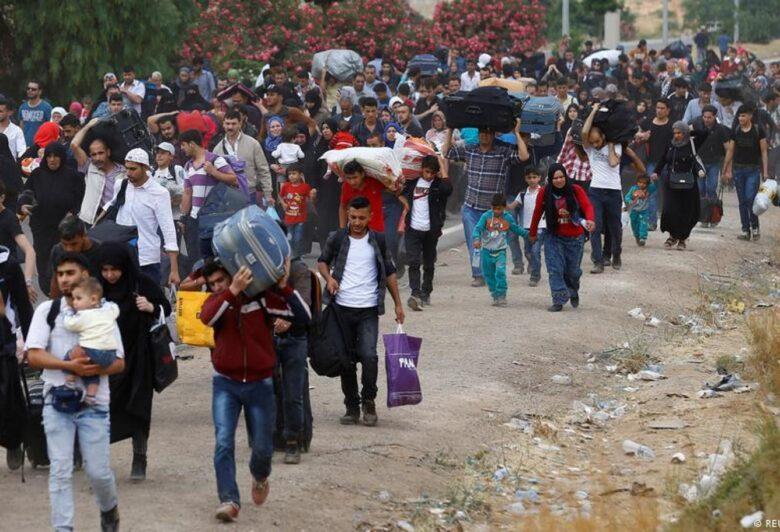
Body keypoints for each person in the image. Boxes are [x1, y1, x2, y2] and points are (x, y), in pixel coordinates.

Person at [199, 260, 310, 522]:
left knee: (262, 447)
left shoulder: (261, 299)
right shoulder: (217, 302)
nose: (216, 287)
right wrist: (230, 292)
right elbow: (206, 318)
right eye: (212, 284)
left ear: (234, 274)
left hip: (260, 383)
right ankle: (229, 499)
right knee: (224, 442)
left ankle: (260, 476)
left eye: (220, 281)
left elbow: (304, 316)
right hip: (225, 382)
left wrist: (284, 289)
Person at [26, 252, 125, 532]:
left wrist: (94, 370)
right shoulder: (48, 312)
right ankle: (63, 528)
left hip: (95, 405)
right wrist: (68, 365)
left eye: (71, 273)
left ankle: (109, 509)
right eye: (60, 274)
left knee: (98, 473)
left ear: (85, 275)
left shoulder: (104, 312)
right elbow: (33, 356)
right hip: (56, 400)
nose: (65, 280)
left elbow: (119, 362)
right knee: (60, 470)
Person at [317, 196, 405, 426]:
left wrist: (398, 303)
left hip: (368, 310)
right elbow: (322, 261)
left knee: (369, 356)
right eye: (353, 217)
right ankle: (351, 407)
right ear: (347, 214)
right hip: (341, 309)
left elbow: (390, 271)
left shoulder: (378, 240)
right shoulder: (336, 238)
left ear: (370, 217)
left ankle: (369, 402)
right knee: (345, 360)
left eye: (361, 217)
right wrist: (329, 279)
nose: (357, 222)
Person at [97, 242, 171, 482]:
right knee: (104, 409)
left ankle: (139, 457)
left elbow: (165, 307)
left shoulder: (141, 283)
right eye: (105, 270)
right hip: (109, 359)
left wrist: (151, 306)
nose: (110, 275)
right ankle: (96, 461)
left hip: (139, 357)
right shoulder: (98, 289)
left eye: (115, 270)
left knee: (139, 407)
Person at [445, 119, 529, 286]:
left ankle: (491, 272)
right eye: (482, 132)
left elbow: (523, 156)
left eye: (488, 132)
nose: (484, 135)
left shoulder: (502, 152)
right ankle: (478, 275)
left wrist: (517, 133)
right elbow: (447, 153)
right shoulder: (470, 150)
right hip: (471, 207)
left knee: (493, 245)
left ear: (493, 135)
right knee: (474, 243)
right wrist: (450, 129)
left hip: (493, 211)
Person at [99, 149, 180, 285]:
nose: (128, 173)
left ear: (145, 167)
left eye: (133, 169)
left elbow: (168, 230)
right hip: (121, 257)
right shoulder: (121, 185)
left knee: (148, 302)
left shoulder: (159, 193)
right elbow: (111, 206)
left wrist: (174, 270)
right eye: (127, 169)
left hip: (146, 259)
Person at [529, 164, 595, 311]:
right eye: (555, 178)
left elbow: (587, 206)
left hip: (575, 238)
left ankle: (572, 289)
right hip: (553, 236)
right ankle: (558, 299)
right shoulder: (544, 192)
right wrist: (532, 233)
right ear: (550, 179)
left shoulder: (576, 190)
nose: (559, 180)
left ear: (565, 177)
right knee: (555, 269)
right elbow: (537, 213)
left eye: (561, 177)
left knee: (573, 271)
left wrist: (590, 220)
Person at [23, 141, 84, 297]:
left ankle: (65, 293)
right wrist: (23, 205)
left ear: (62, 157)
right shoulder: (37, 174)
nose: (52, 159)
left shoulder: (73, 176)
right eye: (49, 156)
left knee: (63, 260)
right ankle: (50, 294)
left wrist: (73, 212)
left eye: (56, 156)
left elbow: (81, 198)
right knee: (43, 260)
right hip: (41, 227)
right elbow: (26, 193)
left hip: (63, 229)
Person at [402, 155, 452, 310]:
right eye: (426, 172)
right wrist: (406, 205)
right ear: (421, 169)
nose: (429, 175)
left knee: (429, 264)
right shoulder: (412, 183)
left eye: (432, 173)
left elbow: (448, 189)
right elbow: (396, 190)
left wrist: (442, 166)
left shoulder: (438, 185)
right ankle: (415, 293)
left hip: (431, 231)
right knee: (414, 262)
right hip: (413, 229)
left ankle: (426, 292)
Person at [180, 128, 238, 261]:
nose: (182, 149)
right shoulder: (188, 166)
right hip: (195, 219)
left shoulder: (215, 160)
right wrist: (183, 218)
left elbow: (233, 179)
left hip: (214, 218)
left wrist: (213, 172)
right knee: (196, 257)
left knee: (213, 258)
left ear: (192, 144)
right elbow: (187, 193)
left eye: (183, 145)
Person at [62, 278, 120, 405]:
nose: (75, 302)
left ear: (93, 299)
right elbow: (115, 309)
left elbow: (70, 324)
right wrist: (107, 304)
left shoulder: (84, 315)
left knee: (69, 355)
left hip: (93, 350)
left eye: (78, 298)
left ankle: (69, 382)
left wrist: (67, 312)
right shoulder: (107, 311)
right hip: (110, 355)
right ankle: (91, 396)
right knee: (93, 374)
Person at [580, 104, 623, 273]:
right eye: (592, 142)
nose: (595, 145)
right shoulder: (589, 148)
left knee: (615, 227)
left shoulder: (616, 146)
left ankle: (616, 253)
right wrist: (593, 111)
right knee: (594, 225)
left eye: (597, 141)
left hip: (613, 191)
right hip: (595, 191)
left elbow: (613, 162)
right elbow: (584, 133)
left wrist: (611, 144)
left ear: (604, 136)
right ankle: (598, 261)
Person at [651, 121, 704, 250]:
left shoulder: (692, 143)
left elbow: (704, 133)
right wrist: (656, 172)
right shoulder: (670, 144)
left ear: (685, 133)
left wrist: (690, 129)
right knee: (670, 209)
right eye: (675, 132)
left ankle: (682, 238)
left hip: (688, 183)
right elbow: (664, 158)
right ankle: (672, 236)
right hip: (671, 182)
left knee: (686, 210)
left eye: (680, 132)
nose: (676, 135)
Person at [472, 193, 528, 307]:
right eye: (494, 208)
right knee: (489, 275)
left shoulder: (507, 217)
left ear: (504, 207)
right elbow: (477, 229)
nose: (497, 211)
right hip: (486, 251)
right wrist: (476, 239)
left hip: (500, 251)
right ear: (491, 206)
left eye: (499, 208)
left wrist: (528, 235)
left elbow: (516, 228)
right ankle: (494, 294)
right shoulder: (486, 217)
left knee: (500, 272)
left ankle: (502, 295)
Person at [722, 105, 769, 241]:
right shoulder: (735, 131)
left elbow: (764, 151)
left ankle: (755, 226)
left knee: (750, 199)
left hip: (753, 170)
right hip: (738, 170)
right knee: (742, 201)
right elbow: (730, 151)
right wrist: (725, 169)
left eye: (743, 116)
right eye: (739, 116)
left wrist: (765, 171)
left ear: (750, 116)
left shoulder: (758, 130)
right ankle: (745, 229)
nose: (740, 118)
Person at [71, 118, 127, 226]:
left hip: (116, 220)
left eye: (101, 153)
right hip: (90, 220)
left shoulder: (123, 171)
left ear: (108, 152)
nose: (97, 158)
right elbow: (74, 145)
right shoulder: (89, 166)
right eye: (93, 154)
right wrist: (88, 126)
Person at [635, 99, 673, 230]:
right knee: (652, 192)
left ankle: (668, 222)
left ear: (668, 110)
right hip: (652, 163)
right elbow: (635, 132)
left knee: (669, 193)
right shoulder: (648, 122)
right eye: (657, 107)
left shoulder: (672, 126)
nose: (659, 110)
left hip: (668, 164)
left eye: (662, 108)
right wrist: (642, 135)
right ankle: (652, 222)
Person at [691, 105, 732, 225]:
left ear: (715, 117)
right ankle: (703, 216)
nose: (707, 119)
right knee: (701, 189)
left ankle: (713, 216)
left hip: (714, 162)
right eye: (704, 117)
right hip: (700, 162)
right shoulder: (696, 125)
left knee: (711, 188)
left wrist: (728, 170)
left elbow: (728, 149)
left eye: (709, 117)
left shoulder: (721, 130)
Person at [507, 167, 546, 287]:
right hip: (526, 228)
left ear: (539, 178)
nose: (532, 180)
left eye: (534, 177)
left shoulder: (544, 192)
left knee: (535, 251)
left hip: (540, 227)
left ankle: (535, 276)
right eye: (529, 177)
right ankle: (534, 265)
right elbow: (512, 206)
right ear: (525, 179)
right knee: (528, 252)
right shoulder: (523, 193)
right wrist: (501, 206)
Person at [48, 214, 103, 297]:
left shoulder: (101, 251)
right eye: (65, 244)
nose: (69, 249)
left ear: (84, 236)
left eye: (74, 244)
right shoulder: (58, 250)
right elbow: (55, 282)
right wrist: (52, 306)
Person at [279, 163, 316, 257]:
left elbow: (311, 201)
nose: (291, 176)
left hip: (301, 218)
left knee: (298, 238)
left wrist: (313, 196)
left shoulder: (305, 187)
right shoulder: (286, 186)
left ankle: (297, 255)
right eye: (289, 174)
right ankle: (290, 255)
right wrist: (283, 204)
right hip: (289, 218)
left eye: (294, 173)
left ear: (300, 175)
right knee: (289, 238)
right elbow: (280, 196)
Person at [624, 175, 657, 246]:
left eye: (644, 183)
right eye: (640, 182)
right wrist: (629, 200)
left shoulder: (648, 189)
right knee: (634, 224)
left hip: (644, 211)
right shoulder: (633, 189)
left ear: (647, 184)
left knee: (643, 223)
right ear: (637, 182)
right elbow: (627, 196)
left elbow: (654, 187)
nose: (642, 184)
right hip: (634, 211)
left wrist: (653, 180)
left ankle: (643, 238)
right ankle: (637, 236)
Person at [18, 80, 52, 146]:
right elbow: (21, 127)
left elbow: (50, 128)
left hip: (40, 146)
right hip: (25, 146)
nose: (30, 91)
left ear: (40, 92)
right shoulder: (22, 107)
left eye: (33, 89)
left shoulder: (47, 107)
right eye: (28, 88)